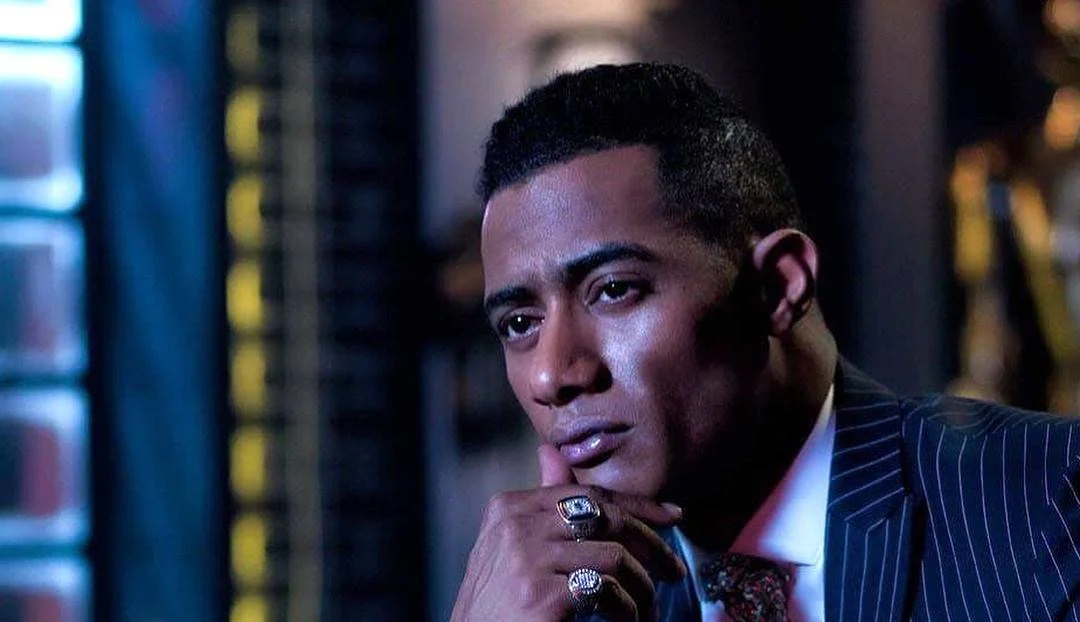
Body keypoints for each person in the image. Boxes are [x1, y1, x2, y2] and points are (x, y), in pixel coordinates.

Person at [450, 62, 1080, 622]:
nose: (551, 374)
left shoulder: (1053, 501)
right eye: (519, 324)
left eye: (614, 290)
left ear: (779, 286)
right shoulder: (563, 600)